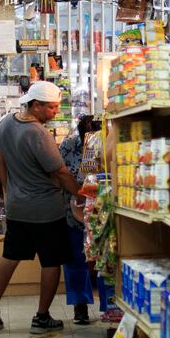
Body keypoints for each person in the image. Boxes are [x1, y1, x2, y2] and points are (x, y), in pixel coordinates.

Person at [0, 81, 80, 334]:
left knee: (10, 255)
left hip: (17, 206)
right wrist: (80, 194)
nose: (56, 112)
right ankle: (41, 317)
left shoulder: (4, 123)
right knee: (51, 261)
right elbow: (60, 172)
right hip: (46, 209)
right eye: (52, 108)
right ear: (36, 105)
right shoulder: (38, 134)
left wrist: (8, 190)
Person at [60, 115, 97, 325]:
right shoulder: (69, 144)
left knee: (103, 259)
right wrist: (77, 193)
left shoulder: (104, 143)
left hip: (101, 210)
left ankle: (110, 306)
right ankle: (80, 306)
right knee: (75, 258)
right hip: (73, 209)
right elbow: (58, 173)